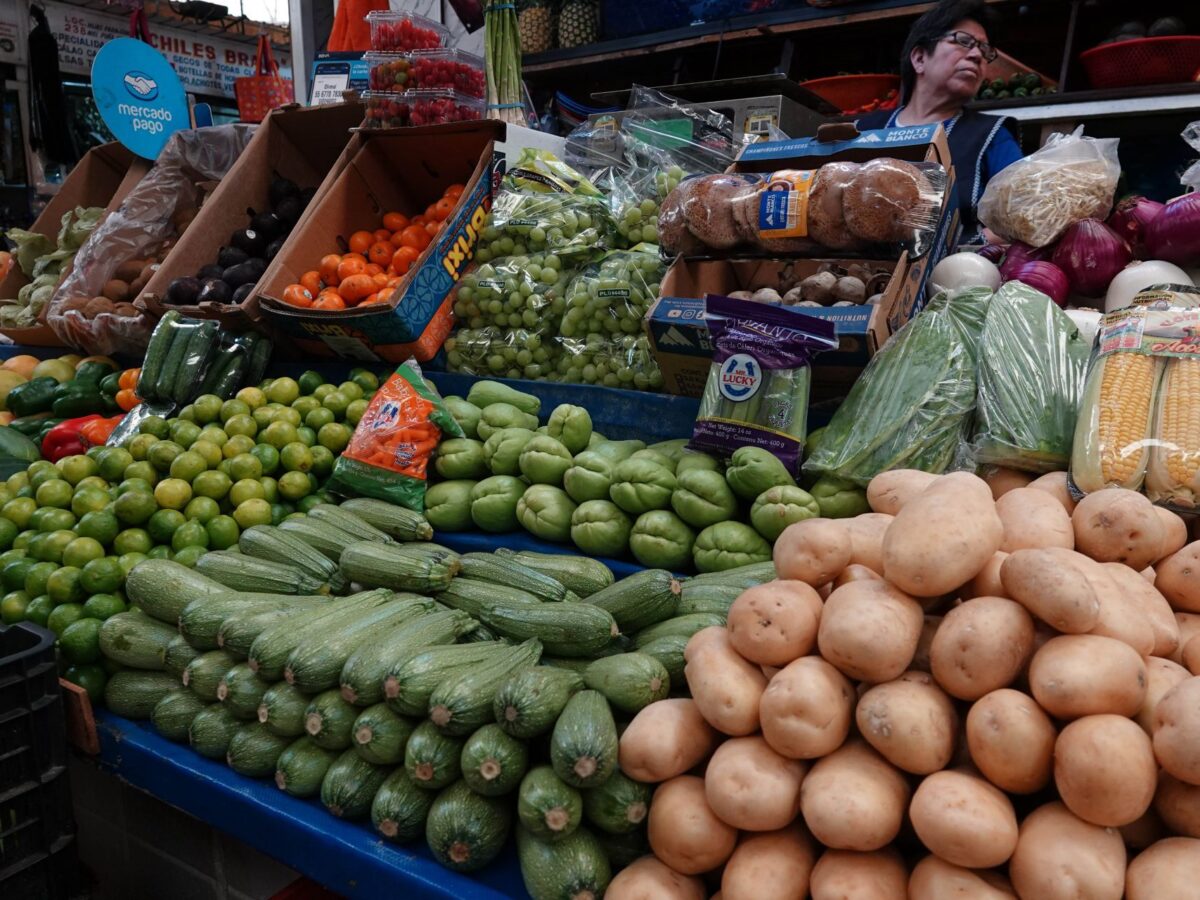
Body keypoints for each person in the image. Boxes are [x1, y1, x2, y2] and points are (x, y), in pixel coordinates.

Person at [857, 0, 1023, 240]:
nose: (977, 55)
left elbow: (1021, 213)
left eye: (985, 50)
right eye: (963, 41)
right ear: (920, 58)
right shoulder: (863, 131)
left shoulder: (992, 136)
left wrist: (965, 253)